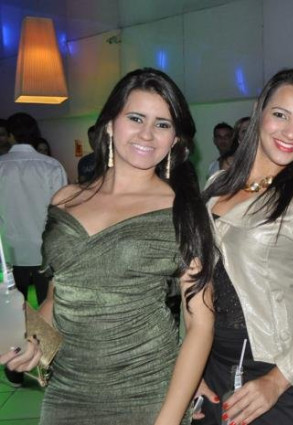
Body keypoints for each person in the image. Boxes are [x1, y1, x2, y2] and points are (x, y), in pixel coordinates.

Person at [0, 68, 216, 425]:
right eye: (136, 118)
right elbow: (57, 296)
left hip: (147, 393)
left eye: (162, 124)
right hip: (67, 392)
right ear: (110, 125)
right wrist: (33, 341)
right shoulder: (66, 199)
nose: (147, 133)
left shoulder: (184, 209)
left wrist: (168, 420)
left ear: (175, 139)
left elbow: (200, 326)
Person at [195, 69, 293, 425]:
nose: (290, 132)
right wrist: (192, 366)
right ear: (259, 111)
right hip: (212, 365)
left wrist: (277, 380)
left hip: (276, 373)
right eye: (281, 114)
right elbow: (193, 281)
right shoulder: (217, 184)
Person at [0, 112, 67, 387]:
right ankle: (47, 369)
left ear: (10, 135)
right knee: (47, 314)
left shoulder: (1, 166)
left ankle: (15, 372)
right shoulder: (51, 166)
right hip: (45, 252)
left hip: (10, 254)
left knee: (13, 318)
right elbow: (63, 213)